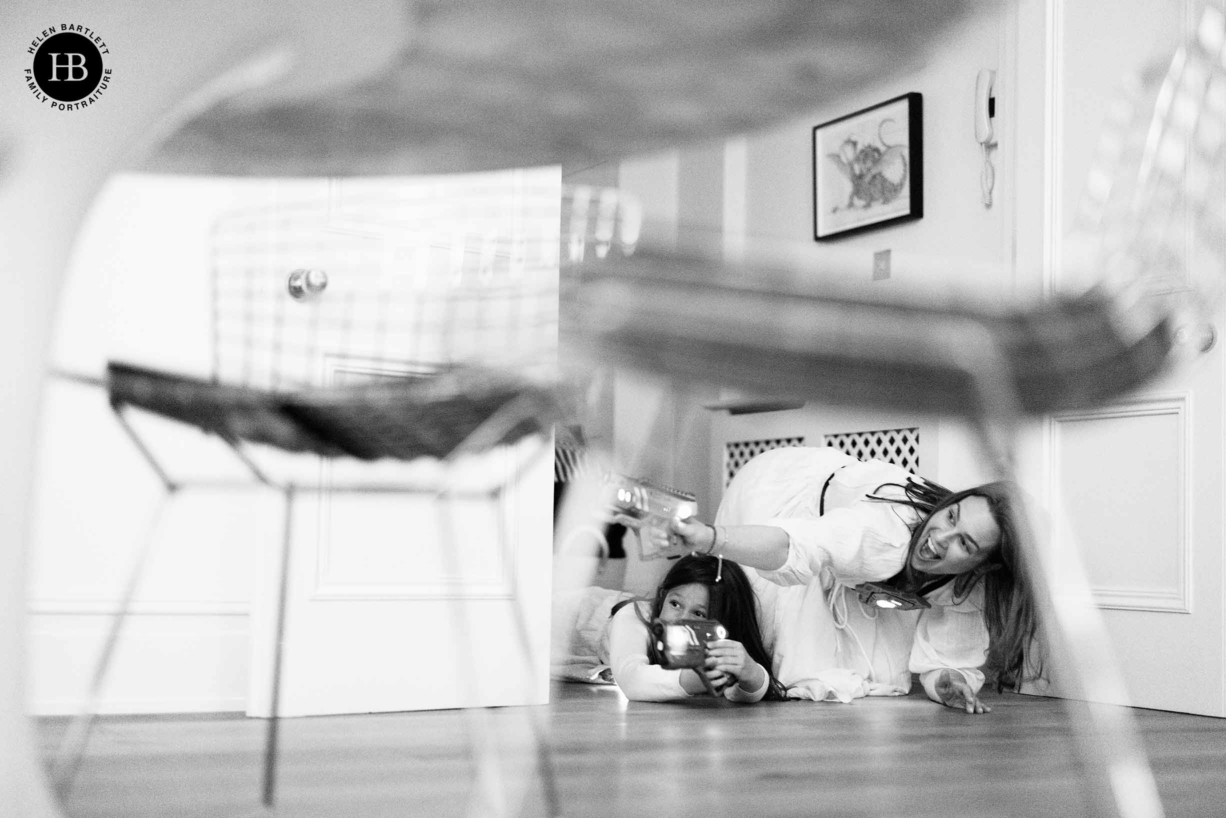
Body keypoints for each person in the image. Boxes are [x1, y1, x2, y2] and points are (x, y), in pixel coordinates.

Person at [654, 445, 1041, 714]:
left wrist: (950, 685)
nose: (939, 539)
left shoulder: (970, 587)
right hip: (781, 487)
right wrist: (710, 538)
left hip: (838, 510)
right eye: (951, 517)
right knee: (767, 625)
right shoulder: (884, 534)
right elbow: (794, 546)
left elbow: (947, 659)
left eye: (964, 543)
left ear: (983, 566)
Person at [607, 554, 788, 702]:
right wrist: (692, 680)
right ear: (662, 597)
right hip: (587, 613)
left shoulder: (720, 641)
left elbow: (738, 690)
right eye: (675, 604)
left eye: (698, 614)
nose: (681, 620)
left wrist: (752, 674)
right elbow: (630, 680)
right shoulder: (634, 616)